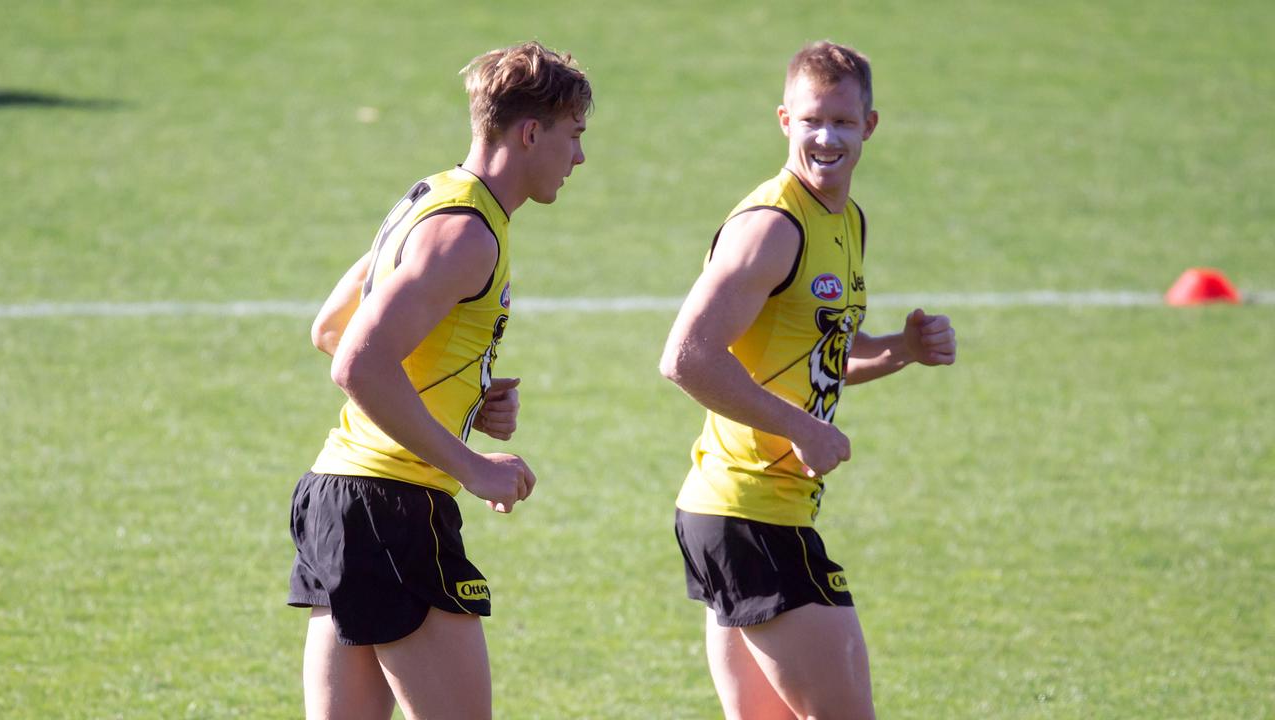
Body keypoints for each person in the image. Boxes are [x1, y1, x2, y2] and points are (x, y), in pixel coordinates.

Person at [286, 41, 591, 720]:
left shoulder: (429, 198)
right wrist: (472, 465)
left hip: (339, 495)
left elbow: (331, 326)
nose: (579, 158)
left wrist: (462, 396)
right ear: (531, 132)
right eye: (573, 137)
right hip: (394, 508)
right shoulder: (467, 234)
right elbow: (354, 362)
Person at [659, 41, 957, 720]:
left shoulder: (845, 220)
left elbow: (822, 355)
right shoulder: (772, 227)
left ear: (870, 126)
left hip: (747, 513)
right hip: (748, 512)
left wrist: (903, 349)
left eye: (844, 123)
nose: (827, 137)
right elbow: (686, 357)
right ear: (784, 121)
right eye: (812, 120)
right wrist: (801, 428)